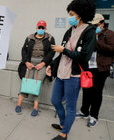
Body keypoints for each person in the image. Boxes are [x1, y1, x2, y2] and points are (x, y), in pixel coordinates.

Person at [46, 0, 96, 139]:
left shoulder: (89, 32)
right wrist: (52, 64)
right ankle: (63, 124)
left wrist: (64, 50)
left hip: (74, 76)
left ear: (80, 14)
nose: (70, 17)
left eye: (72, 14)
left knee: (71, 106)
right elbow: (62, 53)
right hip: (61, 73)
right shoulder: (70, 30)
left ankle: (64, 133)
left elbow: (84, 56)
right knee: (55, 100)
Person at [76, 14, 114, 127]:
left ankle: (94, 116)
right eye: (92, 25)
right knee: (87, 90)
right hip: (89, 67)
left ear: (102, 23)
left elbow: (112, 49)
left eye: (96, 25)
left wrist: (96, 41)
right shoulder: (89, 33)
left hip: (101, 68)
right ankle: (84, 111)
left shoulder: (109, 34)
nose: (94, 27)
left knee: (97, 93)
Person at [16, 20, 55, 117]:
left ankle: (35, 107)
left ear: (45, 28)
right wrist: (26, 62)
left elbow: (52, 52)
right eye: (39, 27)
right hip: (29, 63)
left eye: (42, 28)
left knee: (37, 84)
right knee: (26, 82)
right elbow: (23, 50)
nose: (41, 29)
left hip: (41, 63)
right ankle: (18, 104)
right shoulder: (30, 38)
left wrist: (43, 63)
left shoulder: (50, 38)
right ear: (36, 28)